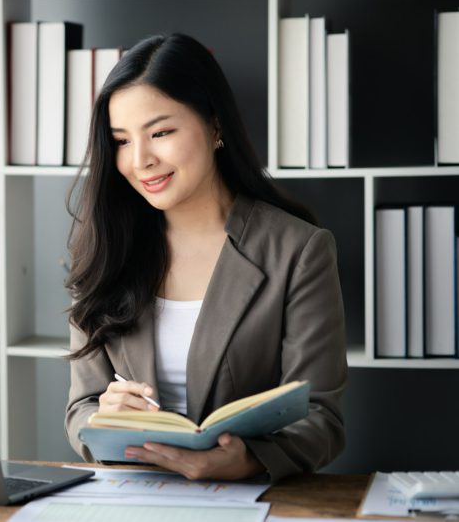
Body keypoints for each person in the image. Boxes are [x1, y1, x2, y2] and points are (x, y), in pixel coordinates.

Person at [64, 33, 347, 482]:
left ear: (215, 127)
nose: (141, 161)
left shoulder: (298, 251)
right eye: (121, 140)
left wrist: (249, 459)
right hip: (132, 494)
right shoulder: (104, 247)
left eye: (161, 133)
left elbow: (321, 418)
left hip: (242, 497)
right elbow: (81, 408)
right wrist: (103, 419)